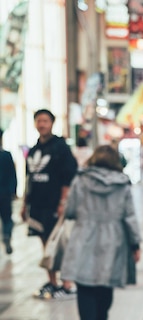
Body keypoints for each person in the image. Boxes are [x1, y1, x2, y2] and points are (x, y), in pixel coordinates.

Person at [61, 146, 141, 320]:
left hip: (84, 234)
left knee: (85, 282)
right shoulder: (122, 184)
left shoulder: (81, 180)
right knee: (106, 280)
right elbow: (129, 216)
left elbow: (70, 210)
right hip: (112, 237)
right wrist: (135, 243)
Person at [21, 109, 78, 299]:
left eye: (45, 120)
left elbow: (68, 177)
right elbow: (29, 178)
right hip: (38, 204)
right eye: (38, 121)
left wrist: (63, 201)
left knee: (61, 244)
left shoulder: (61, 147)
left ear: (52, 123)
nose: (42, 124)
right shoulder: (35, 149)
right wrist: (24, 204)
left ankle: (67, 283)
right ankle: (53, 282)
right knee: (45, 244)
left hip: (56, 204)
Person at [0, 129, 17, 254]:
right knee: (7, 219)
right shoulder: (6, 155)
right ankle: (6, 234)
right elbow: (12, 175)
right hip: (5, 193)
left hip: (5, 193)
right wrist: (13, 191)